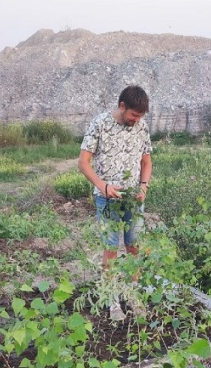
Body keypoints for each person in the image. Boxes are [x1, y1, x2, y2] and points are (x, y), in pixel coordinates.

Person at [79, 85, 153, 269]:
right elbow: (83, 163)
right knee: (110, 248)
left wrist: (144, 185)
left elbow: (146, 162)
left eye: (140, 116)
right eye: (134, 115)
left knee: (134, 247)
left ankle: (133, 293)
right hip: (106, 199)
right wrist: (103, 187)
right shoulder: (100, 124)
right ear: (122, 106)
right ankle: (110, 295)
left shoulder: (141, 126)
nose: (137, 120)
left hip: (134, 198)